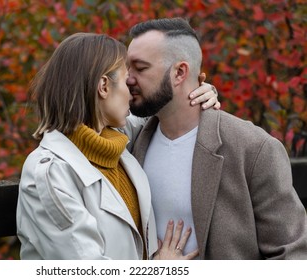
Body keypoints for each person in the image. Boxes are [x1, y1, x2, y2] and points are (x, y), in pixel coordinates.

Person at [16, 32, 218, 260]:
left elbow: (161, 107)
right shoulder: (49, 174)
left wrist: (198, 90)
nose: (132, 92)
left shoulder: (113, 141)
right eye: (125, 80)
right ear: (103, 86)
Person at [125, 17, 307, 259]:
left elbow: (293, 255)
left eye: (140, 68)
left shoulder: (254, 148)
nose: (128, 78)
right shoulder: (131, 143)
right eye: (127, 68)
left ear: (180, 72)